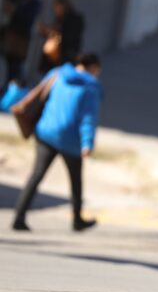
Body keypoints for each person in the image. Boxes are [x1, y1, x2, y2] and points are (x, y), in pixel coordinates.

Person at [12, 53, 102, 232]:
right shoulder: (90, 88)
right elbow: (88, 119)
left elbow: (40, 92)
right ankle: (77, 220)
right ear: (92, 68)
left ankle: (19, 217)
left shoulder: (58, 73)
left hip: (46, 132)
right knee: (75, 181)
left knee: (36, 175)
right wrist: (87, 143)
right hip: (71, 141)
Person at [3, 0, 41, 84]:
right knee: (10, 64)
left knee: (16, 66)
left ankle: (16, 86)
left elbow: (26, 18)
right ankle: (10, 86)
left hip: (22, 39)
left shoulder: (34, 3)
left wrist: (15, 10)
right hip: (12, 37)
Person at [38, 0, 85, 73]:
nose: (56, 10)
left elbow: (69, 37)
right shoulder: (58, 19)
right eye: (55, 8)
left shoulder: (74, 20)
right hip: (53, 58)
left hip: (66, 56)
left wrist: (51, 32)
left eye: (59, 7)